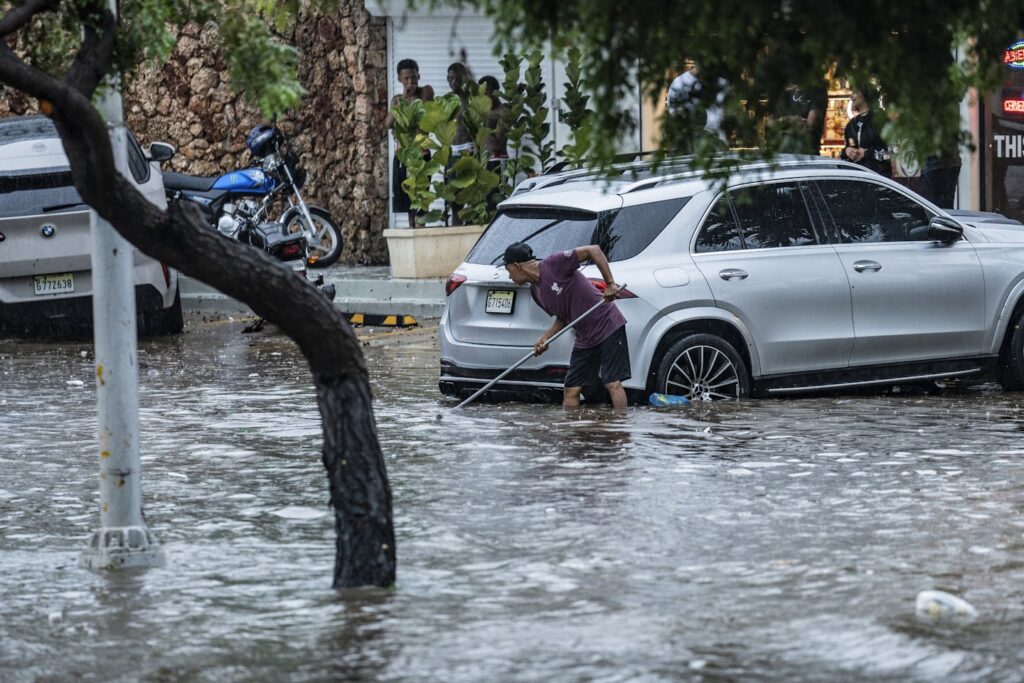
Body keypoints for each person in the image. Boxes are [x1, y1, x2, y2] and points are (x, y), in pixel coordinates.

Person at [503, 242, 630, 410]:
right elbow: (564, 317)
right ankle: (571, 434)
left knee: (612, 382)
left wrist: (610, 283)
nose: (510, 278)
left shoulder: (554, 263)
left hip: (607, 324)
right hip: (585, 338)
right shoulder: (536, 292)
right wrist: (546, 337)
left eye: (508, 271)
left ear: (517, 265)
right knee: (571, 389)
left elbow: (594, 250)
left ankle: (621, 432)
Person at [385, 58, 434, 227]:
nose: (410, 81)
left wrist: (410, 98)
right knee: (407, 203)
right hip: (403, 157)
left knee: (421, 201)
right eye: (406, 78)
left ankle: (420, 231)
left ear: (418, 75)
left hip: (421, 155)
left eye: (413, 77)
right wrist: (405, 97)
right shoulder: (397, 99)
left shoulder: (425, 92)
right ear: (399, 79)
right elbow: (388, 123)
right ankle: (412, 231)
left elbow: (423, 112)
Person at [840, 85, 892, 177]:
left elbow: (892, 151)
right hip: (857, 178)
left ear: (865, 95)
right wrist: (847, 151)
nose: (851, 96)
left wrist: (866, 153)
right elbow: (847, 149)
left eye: (855, 92)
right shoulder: (852, 124)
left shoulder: (881, 120)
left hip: (878, 178)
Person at [774, 84, 828, 155]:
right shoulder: (785, 93)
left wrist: (784, 124)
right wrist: (791, 120)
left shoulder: (818, 91)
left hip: (805, 154)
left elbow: (808, 126)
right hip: (781, 153)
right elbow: (772, 125)